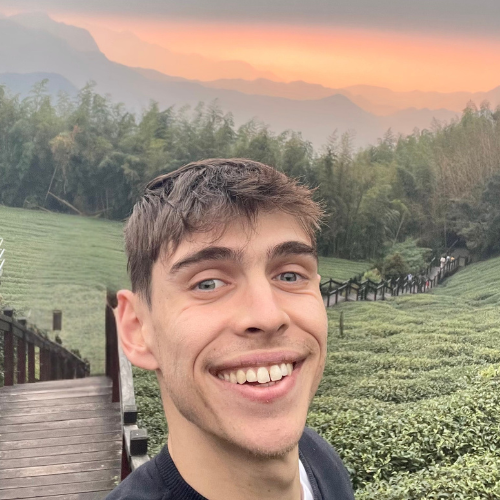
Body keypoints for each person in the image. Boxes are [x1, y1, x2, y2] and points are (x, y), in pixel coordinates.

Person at [107, 158, 355, 500]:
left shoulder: (320, 458)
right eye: (207, 283)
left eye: (290, 276)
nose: (268, 316)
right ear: (137, 329)